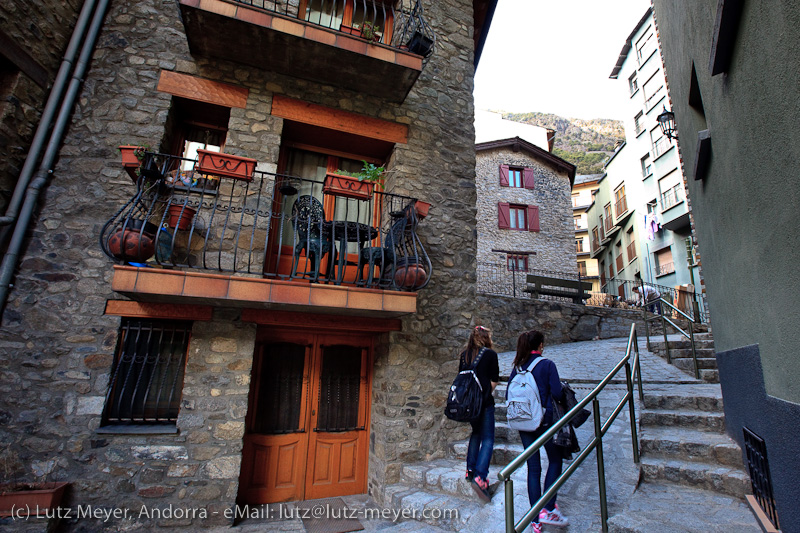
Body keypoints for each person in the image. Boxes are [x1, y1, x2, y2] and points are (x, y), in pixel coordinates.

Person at [508, 330, 569, 532]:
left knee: (533, 469)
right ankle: (549, 507)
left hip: (524, 421)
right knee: (555, 459)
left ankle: (534, 518)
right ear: (540, 345)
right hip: (545, 421)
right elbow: (558, 393)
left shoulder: (516, 367)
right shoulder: (547, 364)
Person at [461, 325, 499, 502]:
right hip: (484, 403)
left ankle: (470, 470)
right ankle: (480, 476)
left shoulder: (464, 355)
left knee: (475, 434)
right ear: (486, 338)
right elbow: (494, 381)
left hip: (468, 404)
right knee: (488, 438)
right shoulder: (490, 355)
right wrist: (484, 394)